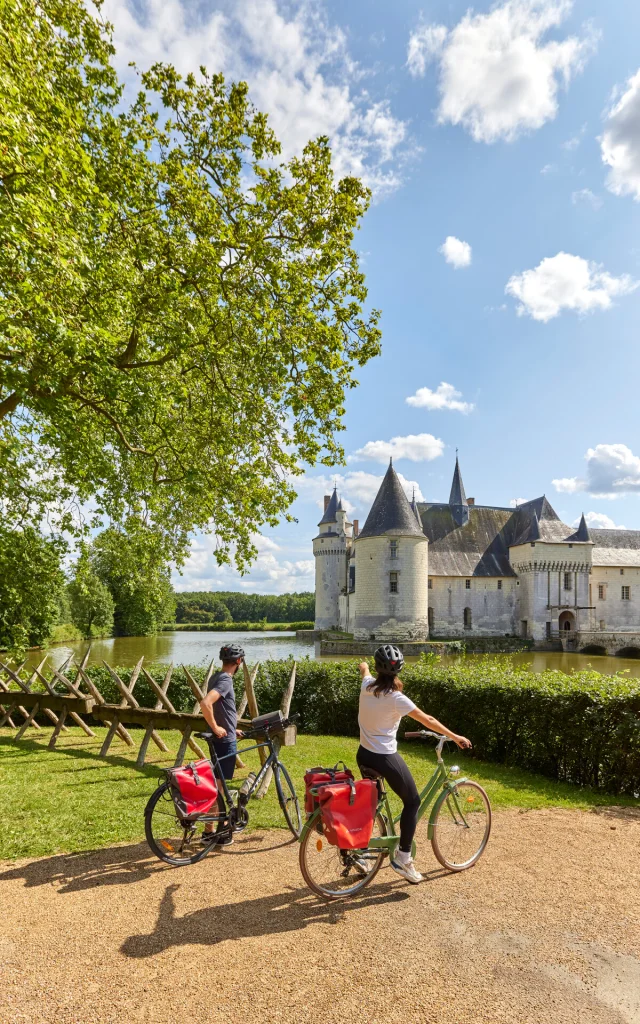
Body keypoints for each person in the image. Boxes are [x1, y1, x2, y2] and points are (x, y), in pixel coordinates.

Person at [357, 644, 472, 885]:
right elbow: (427, 719)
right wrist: (455, 737)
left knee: (372, 805)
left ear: (378, 669)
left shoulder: (367, 686)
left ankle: (359, 851)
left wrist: (364, 666)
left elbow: (365, 673)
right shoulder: (396, 699)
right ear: (398, 671)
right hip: (384, 756)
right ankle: (403, 858)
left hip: (364, 754)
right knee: (413, 801)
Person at [199, 643, 246, 847]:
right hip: (224, 742)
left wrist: (230, 726)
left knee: (218, 786)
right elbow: (206, 703)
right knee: (219, 788)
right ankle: (212, 832)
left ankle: (216, 829)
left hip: (226, 736)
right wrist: (217, 727)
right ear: (238, 661)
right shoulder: (226, 680)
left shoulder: (215, 677)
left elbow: (220, 707)